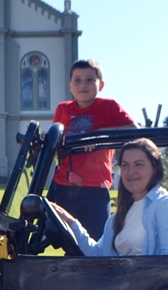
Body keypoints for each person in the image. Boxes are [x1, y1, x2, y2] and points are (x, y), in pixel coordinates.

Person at [53, 138, 168, 257]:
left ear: (155, 168)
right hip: (117, 277)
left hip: (147, 279)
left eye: (139, 164)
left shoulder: (167, 205)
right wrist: (70, 222)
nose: (130, 172)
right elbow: (98, 255)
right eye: (125, 165)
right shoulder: (118, 216)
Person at [49, 59, 136, 237]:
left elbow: (134, 130)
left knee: (98, 239)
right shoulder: (63, 109)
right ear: (70, 85)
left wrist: (100, 134)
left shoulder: (109, 107)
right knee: (58, 236)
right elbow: (55, 141)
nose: (83, 85)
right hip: (64, 185)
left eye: (89, 80)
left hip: (96, 187)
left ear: (101, 85)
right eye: (77, 80)